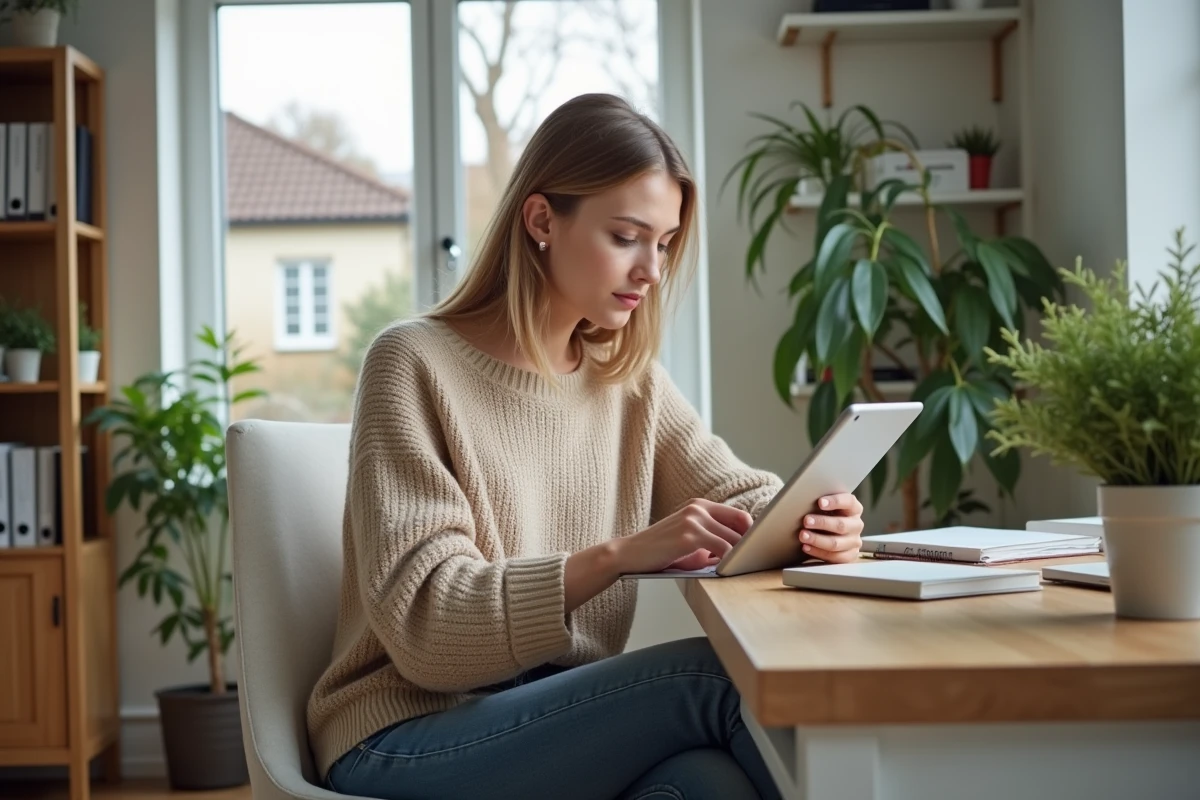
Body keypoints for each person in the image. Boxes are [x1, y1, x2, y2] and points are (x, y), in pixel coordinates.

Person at [307, 93, 865, 800]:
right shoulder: (413, 363)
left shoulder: (626, 380)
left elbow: (738, 495)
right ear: (542, 220)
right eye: (627, 236)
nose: (652, 270)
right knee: (715, 680)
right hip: (400, 734)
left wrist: (816, 521)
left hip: (545, 718)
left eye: (664, 243)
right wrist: (618, 556)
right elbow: (429, 631)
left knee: (707, 783)